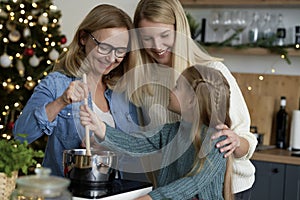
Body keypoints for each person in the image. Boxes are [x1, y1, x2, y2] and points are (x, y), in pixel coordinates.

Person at [129, 0, 258, 199]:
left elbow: (247, 141)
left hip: (226, 189)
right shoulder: (144, 81)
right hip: (174, 191)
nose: (157, 46)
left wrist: (236, 141)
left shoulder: (213, 72)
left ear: (179, 31)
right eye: (147, 38)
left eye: (165, 35)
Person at [13, 4, 139, 177]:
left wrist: (110, 144)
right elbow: (20, 136)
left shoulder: (122, 92)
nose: (112, 58)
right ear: (83, 38)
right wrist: (61, 102)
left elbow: (138, 152)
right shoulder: (56, 84)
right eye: (104, 47)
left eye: (120, 51)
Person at [80, 65, 234, 200]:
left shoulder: (217, 140)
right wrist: (100, 127)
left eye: (176, 86)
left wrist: (151, 198)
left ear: (191, 101)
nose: (170, 90)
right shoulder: (170, 131)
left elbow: (193, 183)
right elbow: (135, 144)